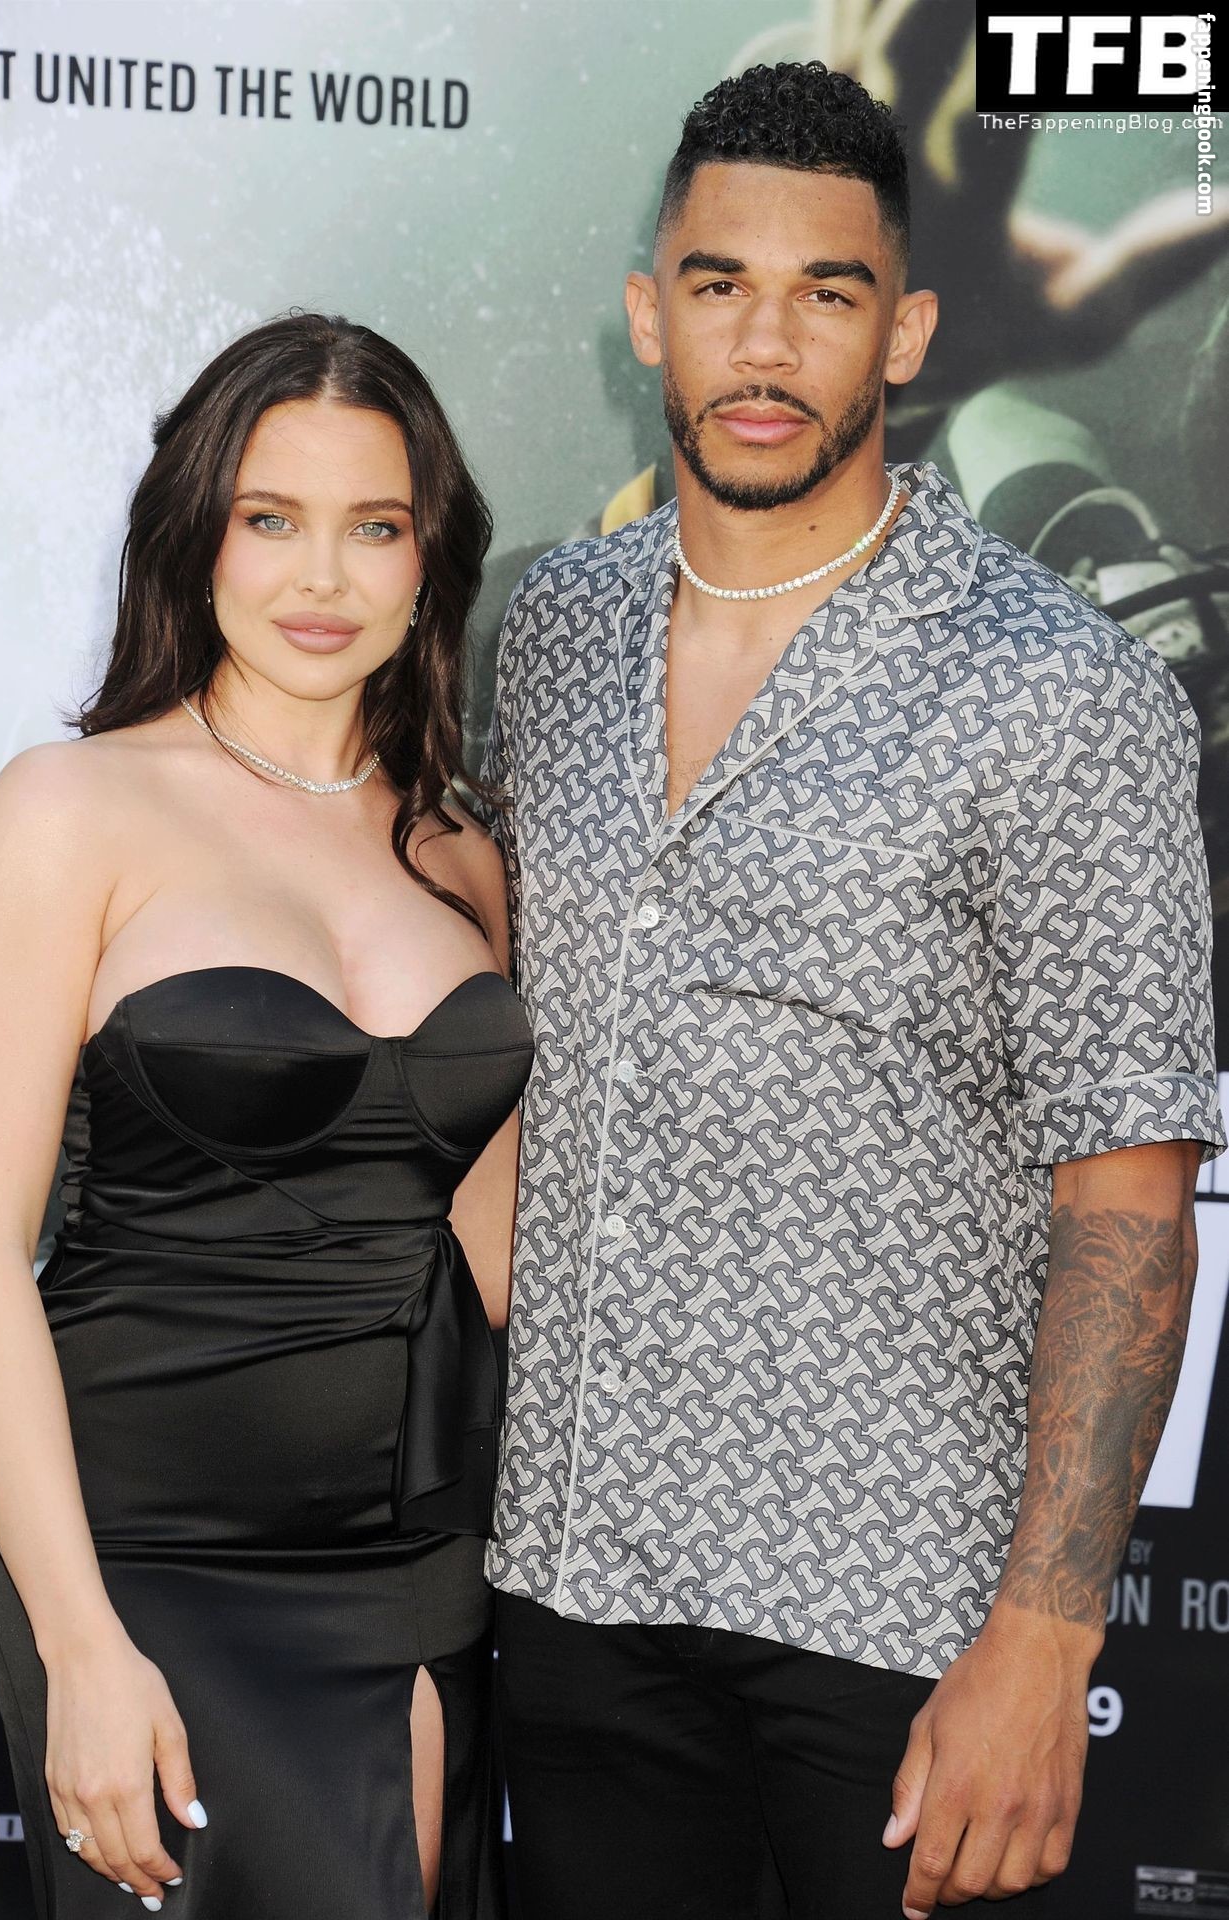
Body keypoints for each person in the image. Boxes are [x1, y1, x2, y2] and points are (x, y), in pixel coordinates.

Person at [481, 61, 1224, 1920]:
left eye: (824, 294)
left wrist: (1045, 1639)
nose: (763, 344)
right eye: (718, 284)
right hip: (573, 1593)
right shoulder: (552, 632)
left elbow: (1130, 1199)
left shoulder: (1063, 692)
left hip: (898, 1629)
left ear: (903, 333)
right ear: (647, 314)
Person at [0, 313, 532, 1918]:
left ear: (428, 559)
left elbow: (498, 1261)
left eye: (374, 526)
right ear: (196, 533)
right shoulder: (72, 809)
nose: (320, 577)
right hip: (141, 1563)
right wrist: (79, 1641)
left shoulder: (460, 853)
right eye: (270, 518)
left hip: (412, 1562)